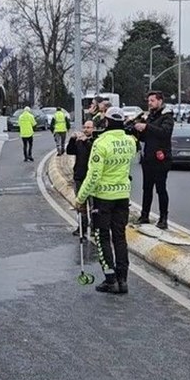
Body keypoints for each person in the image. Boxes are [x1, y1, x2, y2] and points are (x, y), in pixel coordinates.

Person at [75, 107, 135, 294]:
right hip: (123, 196)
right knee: (120, 237)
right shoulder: (129, 143)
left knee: (102, 237)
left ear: (107, 122)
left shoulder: (101, 144)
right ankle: (123, 280)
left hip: (103, 198)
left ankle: (110, 279)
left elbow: (93, 175)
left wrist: (81, 198)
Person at [133, 92, 175, 229]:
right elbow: (147, 137)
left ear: (160, 101)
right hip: (148, 158)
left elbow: (164, 133)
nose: (150, 103)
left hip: (161, 159)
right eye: (148, 101)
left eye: (152, 100)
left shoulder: (167, 117)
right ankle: (144, 215)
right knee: (147, 189)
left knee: (161, 189)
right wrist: (139, 130)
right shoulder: (150, 116)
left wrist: (147, 127)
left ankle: (163, 218)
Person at [65, 120, 95, 238]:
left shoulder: (94, 141)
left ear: (93, 129)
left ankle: (93, 227)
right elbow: (69, 151)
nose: (86, 129)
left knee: (93, 205)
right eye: (85, 127)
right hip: (79, 176)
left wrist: (86, 141)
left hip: (91, 178)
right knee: (80, 204)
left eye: (89, 127)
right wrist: (73, 139)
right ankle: (82, 227)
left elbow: (93, 151)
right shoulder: (79, 141)